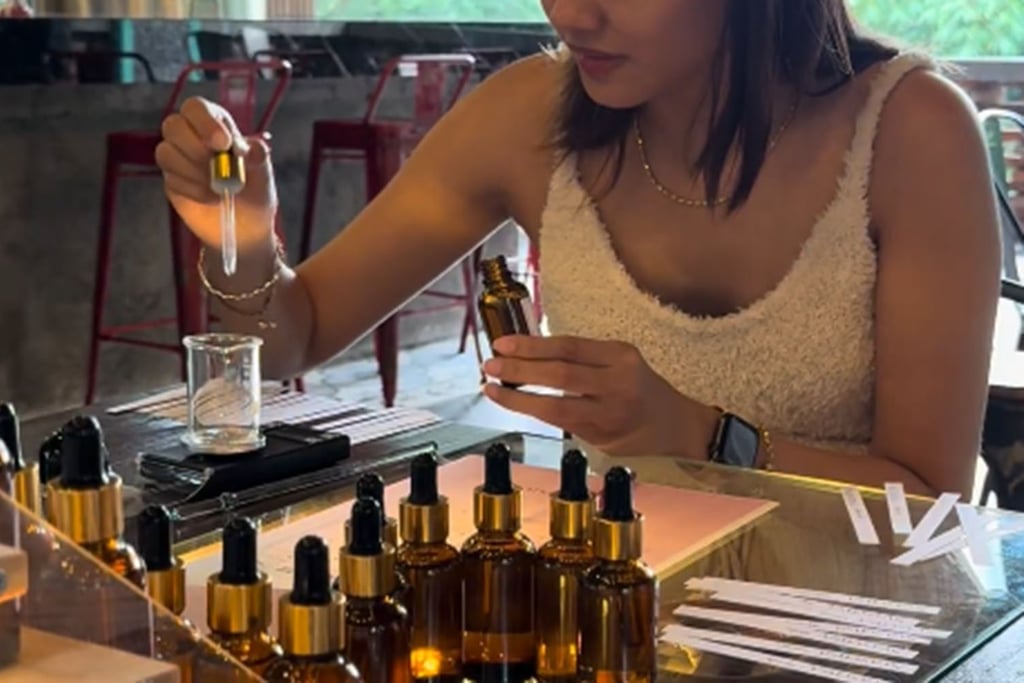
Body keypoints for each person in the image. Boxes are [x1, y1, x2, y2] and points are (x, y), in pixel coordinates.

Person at [155, 0, 1000, 498]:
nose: (569, 13)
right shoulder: (529, 115)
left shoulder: (909, 132)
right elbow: (297, 334)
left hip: (856, 636)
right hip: (607, 611)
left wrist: (704, 436)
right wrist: (241, 237)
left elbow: (934, 497)